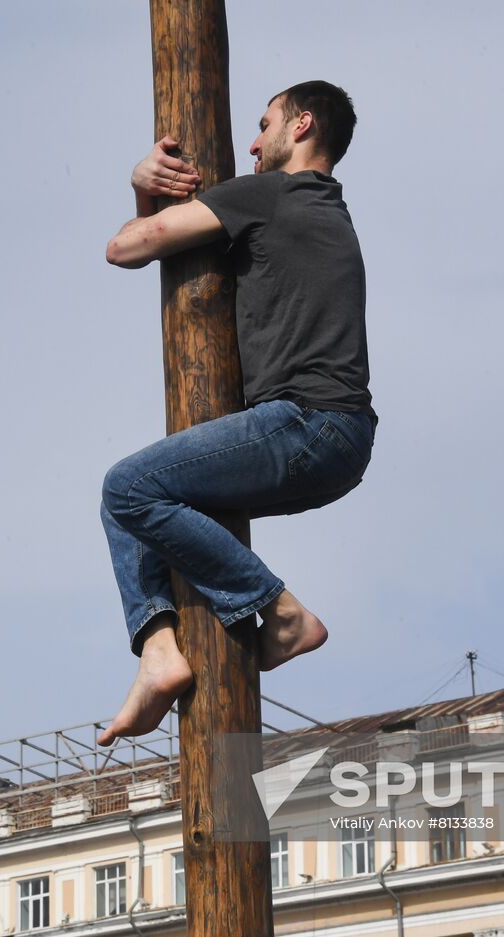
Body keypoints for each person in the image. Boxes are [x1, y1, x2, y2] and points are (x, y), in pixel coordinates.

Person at [98, 80, 375, 746]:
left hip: (307, 422)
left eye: (264, 122)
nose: (251, 142)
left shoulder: (272, 194)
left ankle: (278, 612)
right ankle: (160, 652)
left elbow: (129, 247)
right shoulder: (318, 208)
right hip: (338, 439)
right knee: (163, 497)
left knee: (129, 487)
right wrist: (150, 192)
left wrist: (142, 183)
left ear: (302, 124)